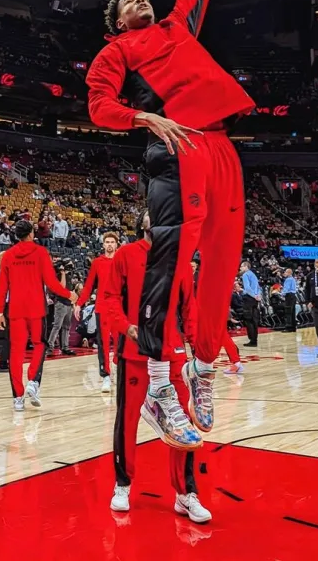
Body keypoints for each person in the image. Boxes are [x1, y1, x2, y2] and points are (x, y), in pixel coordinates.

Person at [86, 0, 254, 447]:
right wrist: (143, 118)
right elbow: (98, 106)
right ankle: (159, 384)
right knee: (170, 266)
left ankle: (201, 370)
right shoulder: (116, 52)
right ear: (116, 21)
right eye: (128, 0)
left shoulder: (177, 27)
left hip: (222, 145)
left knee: (222, 266)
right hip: (177, 145)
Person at [102, 210, 211, 522]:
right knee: (127, 422)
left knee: (182, 426)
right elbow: (109, 297)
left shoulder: (179, 260)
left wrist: (196, 349)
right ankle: (122, 484)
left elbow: (189, 306)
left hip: (172, 353)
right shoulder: (124, 255)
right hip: (134, 352)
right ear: (142, 223)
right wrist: (125, 326)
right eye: (151, 211)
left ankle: (185, 493)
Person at [0, 219, 76, 411]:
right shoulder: (40, 253)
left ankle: (17, 398)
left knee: (16, 352)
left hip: (15, 310)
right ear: (31, 234)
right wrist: (69, 294)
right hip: (37, 309)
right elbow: (51, 282)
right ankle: (33, 380)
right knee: (40, 344)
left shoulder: (8, 256)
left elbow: (2, 287)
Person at [74, 231, 119, 391]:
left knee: (122, 342)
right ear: (103, 244)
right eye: (107, 242)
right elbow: (88, 286)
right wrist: (79, 303)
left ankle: (116, 365)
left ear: (116, 244)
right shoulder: (97, 263)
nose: (109, 245)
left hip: (119, 308)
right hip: (102, 307)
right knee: (103, 343)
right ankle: (105, 375)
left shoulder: (121, 261)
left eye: (112, 242)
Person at [47, 261, 75, 358]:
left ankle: (65, 347)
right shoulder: (58, 276)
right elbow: (61, 287)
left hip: (68, 304)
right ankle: (49, 347)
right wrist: (62, 273)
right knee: (57, 326)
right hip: (60, 304)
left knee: (66, 327)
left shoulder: (69, 277)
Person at [240, 260, 261, 347]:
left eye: (241, 266)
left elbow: (248, 288)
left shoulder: (245, 275)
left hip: (249, 298)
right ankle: (254, 339)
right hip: (255, 299)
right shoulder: (253, 275)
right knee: (254, 320)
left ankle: (252, 340)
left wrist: (253, 295)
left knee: (249, 320)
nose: (240, 268)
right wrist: (258, 295)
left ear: (246, 267)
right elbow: (258, 287)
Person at [282, 268, 297, 332]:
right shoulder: (293, 279)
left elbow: (286, 289)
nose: (284, 273)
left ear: (289, 273)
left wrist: (282, 294)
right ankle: (293, 327)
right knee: (293, 312)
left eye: (285, 272)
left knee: (288, 312)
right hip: (293, 296)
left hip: (289, 296)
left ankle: (288, 327)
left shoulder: (288, 280)